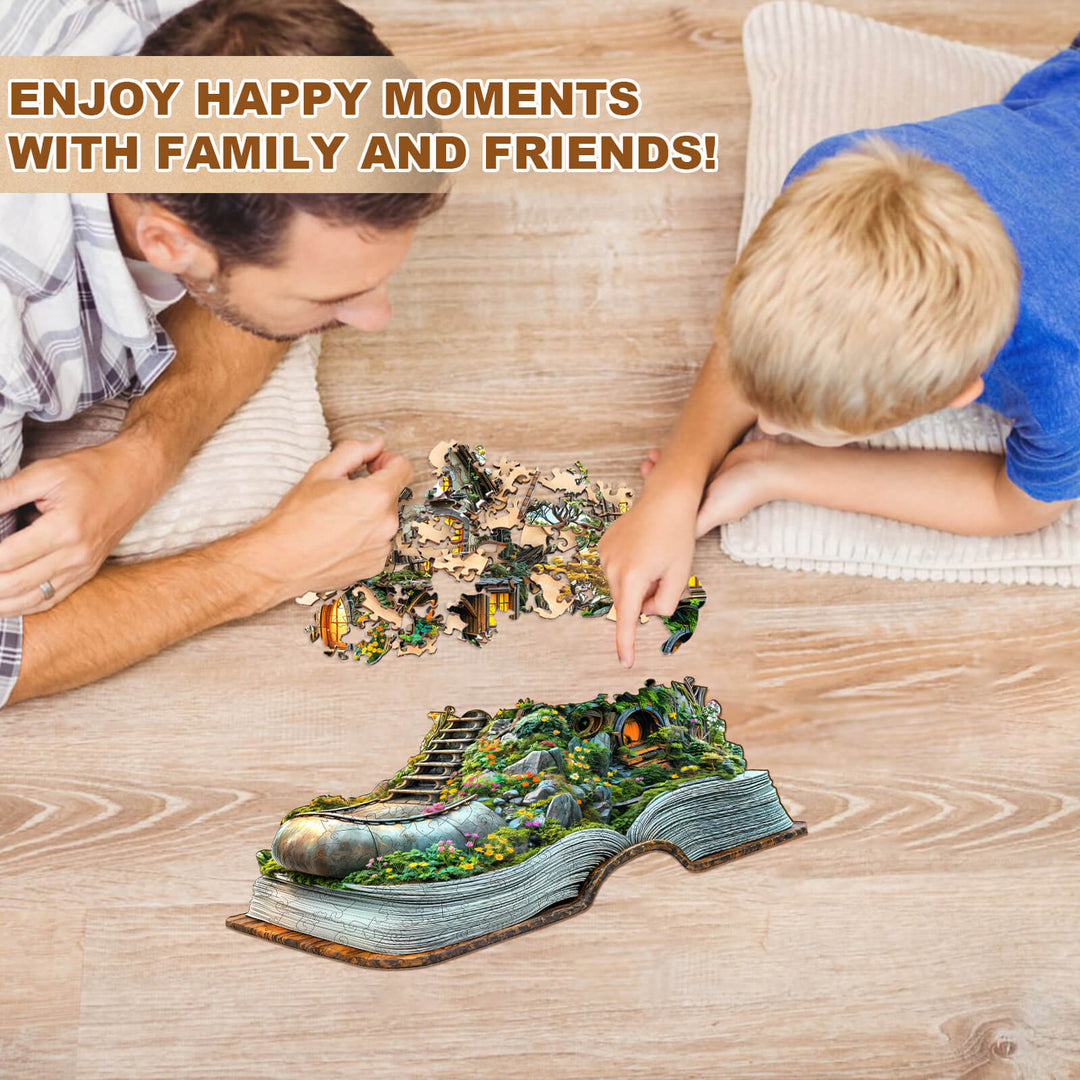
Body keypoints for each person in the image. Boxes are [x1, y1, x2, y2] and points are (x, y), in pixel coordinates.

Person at [0, 0, 445, 705]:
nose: (376, 319)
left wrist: (141, 460)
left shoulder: (237, 34)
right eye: (332, 298)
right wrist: (269, 564)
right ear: (169, 244)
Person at [600, 43, 1080, 666]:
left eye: (795, 425)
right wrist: (672, 485)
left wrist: (781, 468)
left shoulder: (1063, 379)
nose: (762, 420)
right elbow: (755, 337)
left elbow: (1017, 506)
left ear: (955, 394)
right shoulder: (829, 172)